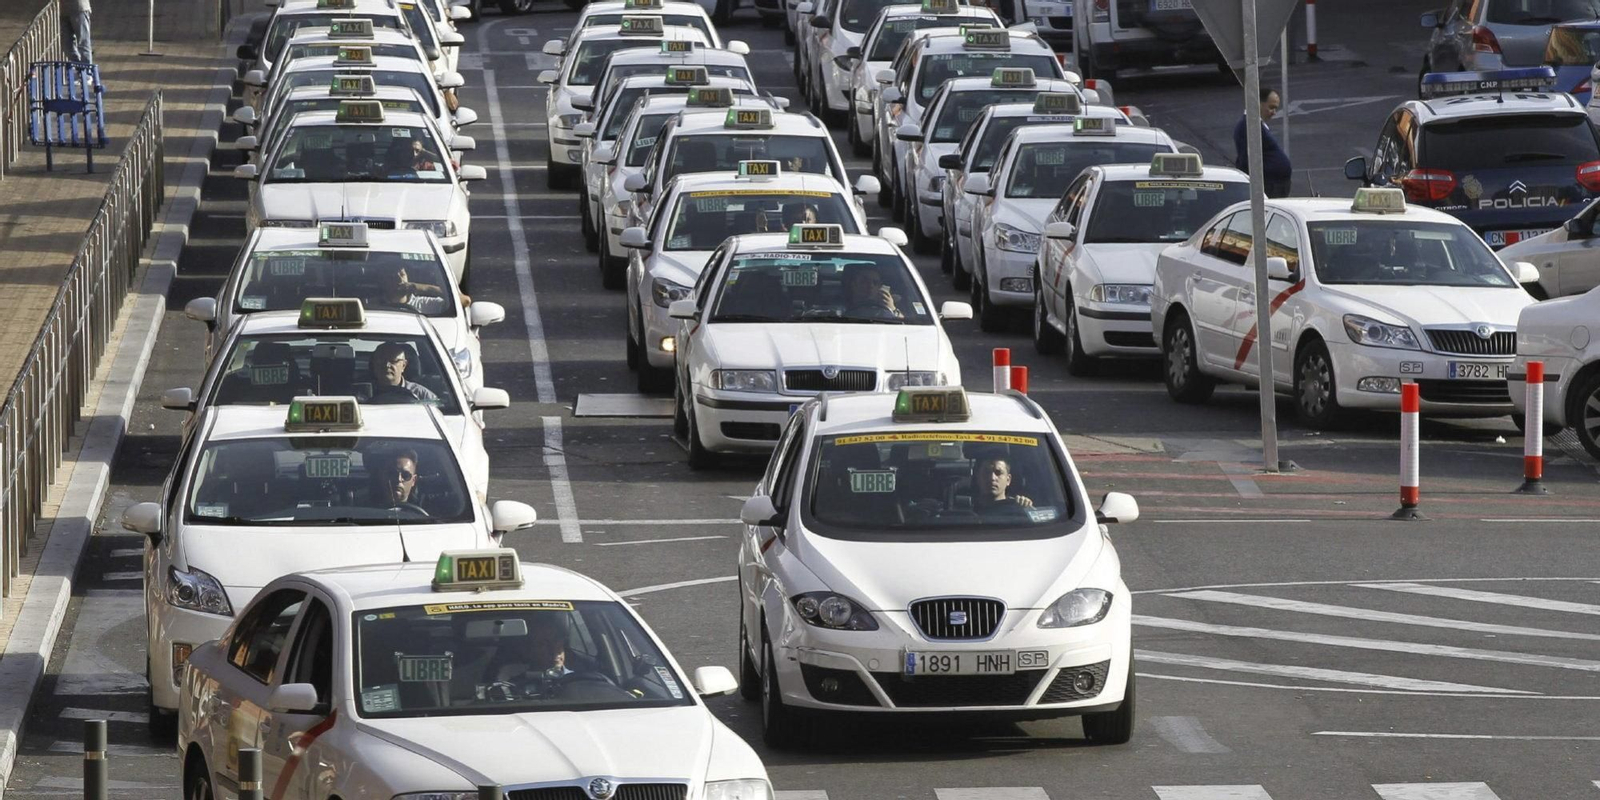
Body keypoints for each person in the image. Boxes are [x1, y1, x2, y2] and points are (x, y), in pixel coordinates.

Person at [1233, 87, 1292, 198]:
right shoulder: (1248, 126)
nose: (1274, 113)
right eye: (1271, 107)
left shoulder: (1255, 125)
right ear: (1258, 103)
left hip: (1274, 184)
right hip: (1269, 186)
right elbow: (1245, 159)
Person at [368, 342, 440, 404]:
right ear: (374, 363)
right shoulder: (362, 393)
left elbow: (440, 413)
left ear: (404, 365)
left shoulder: (422, 395)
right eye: (381, 360)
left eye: (393, 360)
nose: (387, 365)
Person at [371, 263, 457, 314]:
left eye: (402, 274)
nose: (400, 280)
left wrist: (423, 288)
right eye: (392, 277)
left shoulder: (425, 304)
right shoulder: (373, 305)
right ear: (383, 282)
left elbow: (464, 301)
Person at [369, 447, 426, 512]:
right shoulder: (361, 507)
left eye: (406, 475)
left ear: (413, 480)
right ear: (382, 476)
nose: (398, 479)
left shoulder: (426, 512)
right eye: (392, 473)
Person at [62, 0, 92, 64]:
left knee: (83, 42)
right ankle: (79, 68)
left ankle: (86, 71)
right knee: (67, 45)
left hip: (79, 8)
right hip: (64, 11)